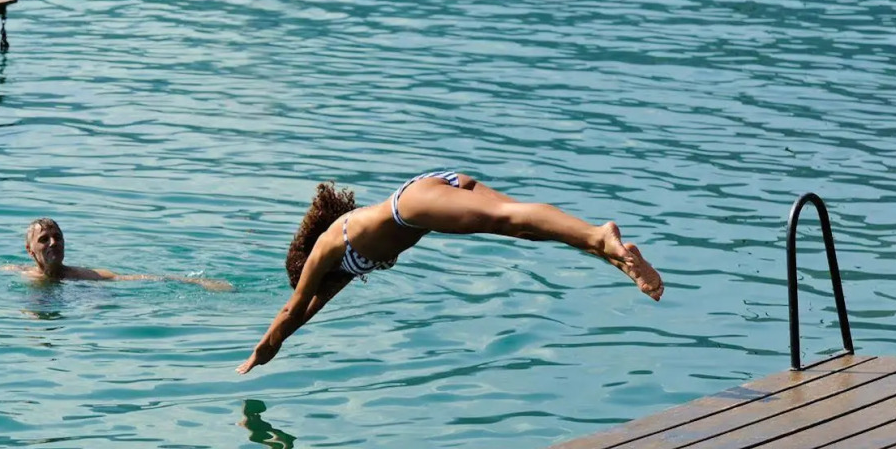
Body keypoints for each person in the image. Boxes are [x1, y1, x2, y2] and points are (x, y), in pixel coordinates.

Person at [237, 171, 662, 373]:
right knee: (523, 228)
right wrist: (281, 342)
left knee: (508, 218)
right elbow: (309, 310)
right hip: (438, 186)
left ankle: (599, 235)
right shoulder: (342, 265)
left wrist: (260, 351)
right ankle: (613, 255)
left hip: (411, 206)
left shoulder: (325, 249)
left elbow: (293, 308)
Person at [0, 218, 231, 291]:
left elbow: (139, 278)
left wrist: (200, 282)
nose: (53, 243)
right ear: (29, 250)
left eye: (58, 238)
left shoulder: (84, 276)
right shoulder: (16, 272)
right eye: (45, 239)